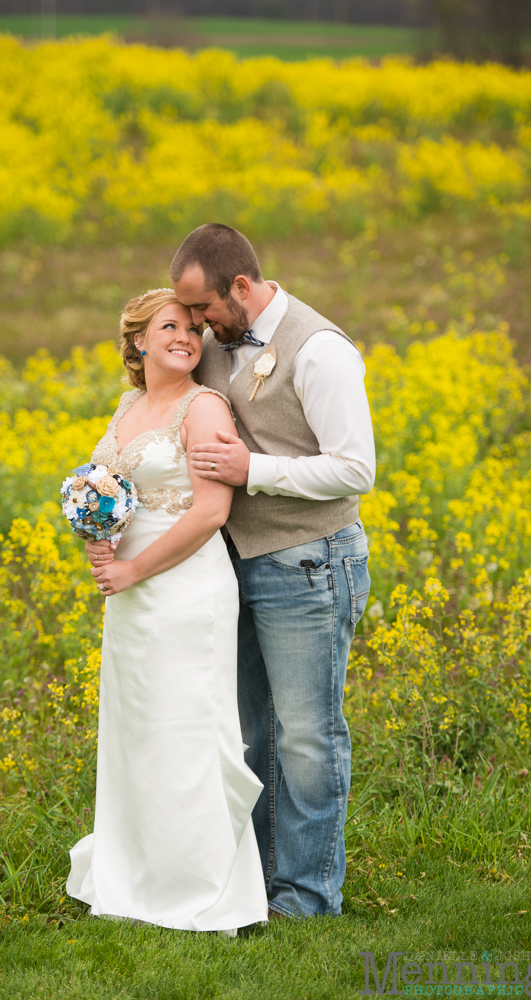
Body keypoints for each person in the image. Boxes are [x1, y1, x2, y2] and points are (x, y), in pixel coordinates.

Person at [170, 223, 376, 920]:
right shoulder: (220, 345)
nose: (195, 326)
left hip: (309, 564)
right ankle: (252, 887)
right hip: (233, 568)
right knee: (249, 732)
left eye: (201, 309)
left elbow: (355, 468)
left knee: (307, 735)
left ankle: (309, 897)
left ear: (240, 285)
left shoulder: (319, 350)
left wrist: (251, 471)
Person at [67, 288, 268, 933]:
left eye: (192, 327)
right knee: (139, 729)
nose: (187, 336)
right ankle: (139, 873)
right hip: (131, 597)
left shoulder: (203, 406)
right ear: (138, 341)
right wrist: (99, 531)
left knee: (187, 728)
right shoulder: (129, 405)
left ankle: (202, 887)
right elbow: (113, 488)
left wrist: (130, 567)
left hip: (185, 590)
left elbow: (211, 511)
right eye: (170, 326)